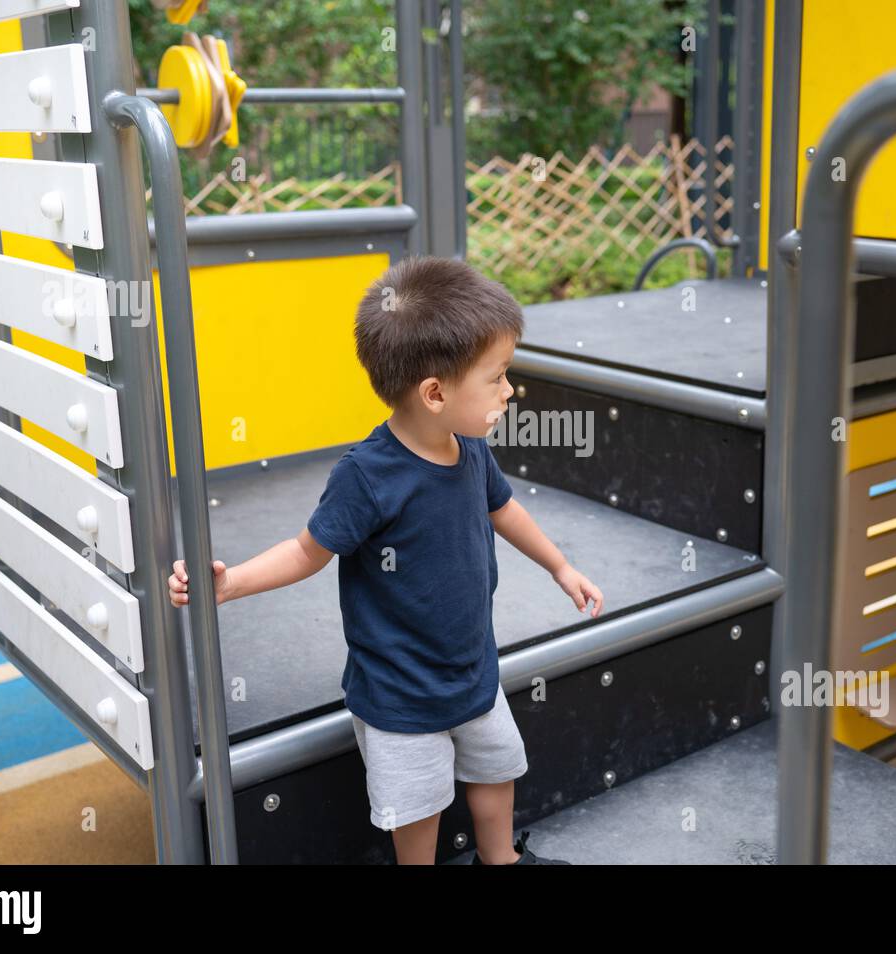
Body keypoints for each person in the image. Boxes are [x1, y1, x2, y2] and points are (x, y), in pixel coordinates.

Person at [169, 255, 602, 865]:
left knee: (497, 772)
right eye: (498, 376)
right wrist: (231, 582)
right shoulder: (368, 477)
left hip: (472, 671)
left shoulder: (471, 449)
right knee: (418, 807)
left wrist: (560, 565)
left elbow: (503, 511)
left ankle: (500, 860)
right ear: (435, 392)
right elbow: (305, 551)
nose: (509, 390)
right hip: (399, 694)